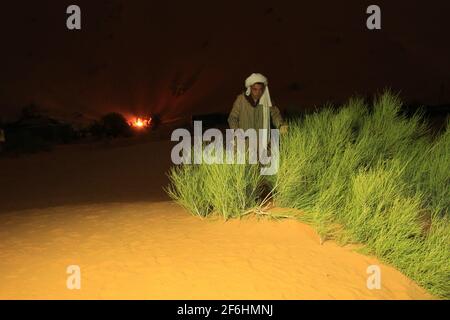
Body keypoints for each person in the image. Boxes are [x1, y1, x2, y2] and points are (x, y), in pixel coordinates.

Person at [228, 73, 287, 150]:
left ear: (263, 89)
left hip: (262, 143)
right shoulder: (241, 100)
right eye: (255, 89)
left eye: (260, 89)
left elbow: (275, 114)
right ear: (250, 88)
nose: (258, 92)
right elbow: (232, 118)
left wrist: (280, 125)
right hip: (244, 141)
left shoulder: (267, 101)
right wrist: (237, 131)